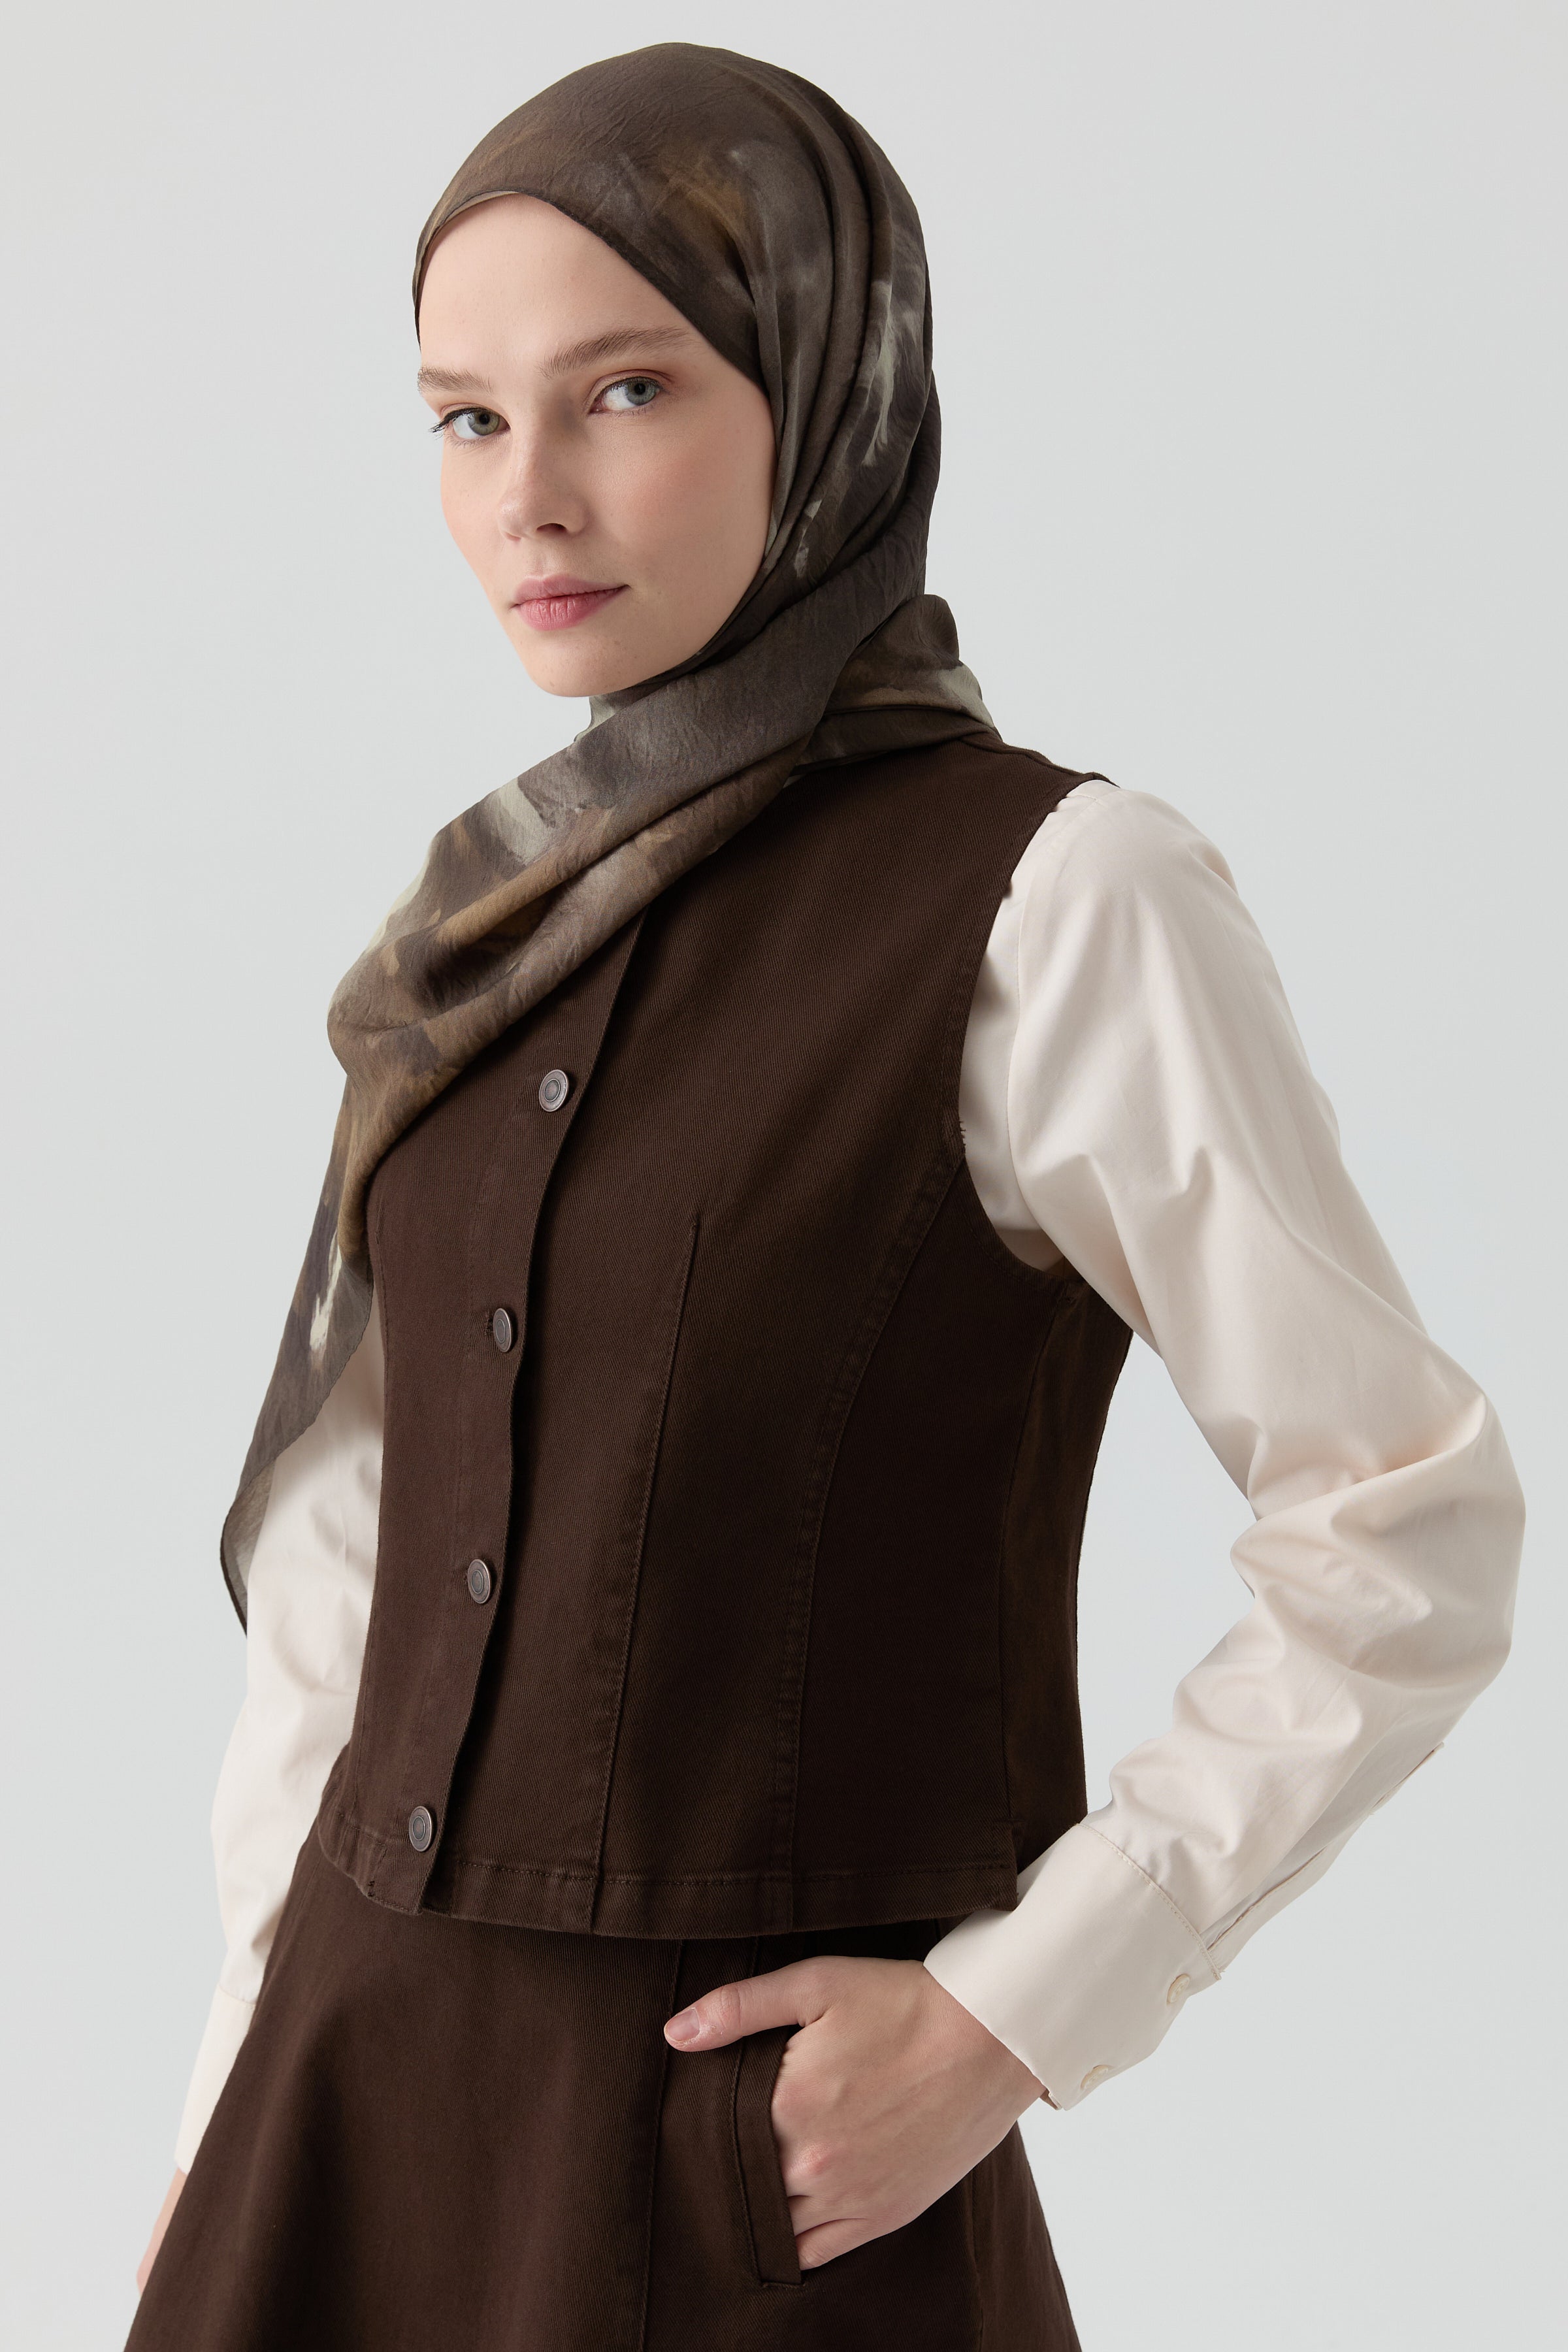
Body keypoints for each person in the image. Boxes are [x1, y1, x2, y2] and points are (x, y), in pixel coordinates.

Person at [127, 41, 1523, 2352]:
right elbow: (337, 1600)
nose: (527, 499)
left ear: (829, 385)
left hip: (754, 2171)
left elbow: (1407, 1519)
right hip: (346, 2110)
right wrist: (223, 2119)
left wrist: (1011, 2020)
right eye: (463, 419)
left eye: (626, 391)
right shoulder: (474, 942)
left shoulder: (1064, 899)